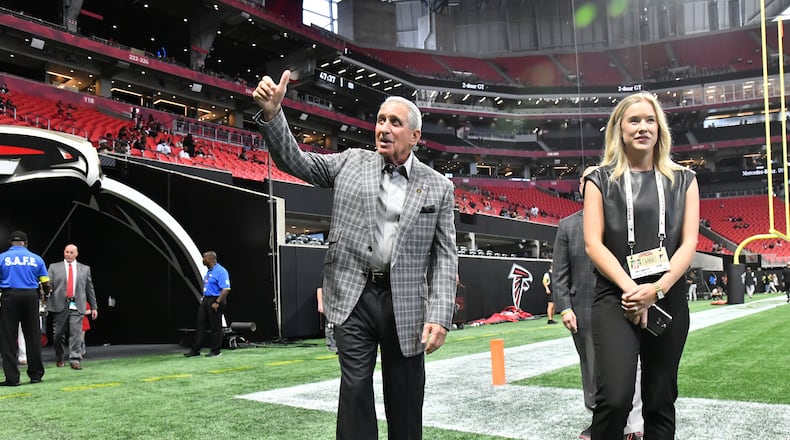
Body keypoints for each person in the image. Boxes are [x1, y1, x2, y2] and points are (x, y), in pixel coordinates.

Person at [253, 70, 457, 439]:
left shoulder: (439, 187)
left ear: (415, 136)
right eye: (380, 120)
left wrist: (441, 315)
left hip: (406, 303)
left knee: (406, 395)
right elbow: (295, 162)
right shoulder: (349, 162)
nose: (384, 128)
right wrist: (273, 114)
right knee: (355, 389)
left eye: (395, 122)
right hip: (353, 297)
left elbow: (445, 256)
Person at [583, 92, 699, 439]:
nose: (642, 127)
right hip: (616, 296)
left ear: (660, 128)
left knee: (660, 401)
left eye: (650, 120)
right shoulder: (599, 179)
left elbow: (689, 243)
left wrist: (657, 289)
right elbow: (593, 243)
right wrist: (634, 292)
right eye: (634, 120)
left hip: (667, 296)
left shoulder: (685, 180)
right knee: (614, 399)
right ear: (619, 129)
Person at [553, 166, 644, 439]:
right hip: (582, 309)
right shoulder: (568, 225)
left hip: (622, 304)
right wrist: (565, 307)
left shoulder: (621, 222)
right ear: (581, 186)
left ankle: (633, 423)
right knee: (591, 367)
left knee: (632, 364)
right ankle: (598, 419)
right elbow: (559, 272)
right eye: (586, 180)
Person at [0, 231, 51, 386]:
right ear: (26, 243)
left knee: (8, 338)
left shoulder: (2, 258)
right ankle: (36, 375)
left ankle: (12, 378)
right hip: (30, 297)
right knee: (33, 336)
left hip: (9, 296)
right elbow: (46, 284)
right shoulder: (36, 259)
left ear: (10, 243)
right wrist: (45, 298)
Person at [46, 244, 98, 370]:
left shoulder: (85, 269)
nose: (68, 255)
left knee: (76, 333)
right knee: (58, 334)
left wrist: (94, 307)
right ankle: (59, 356)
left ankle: (75, 359)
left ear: (76, 254)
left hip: (77, 304)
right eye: (66, 252)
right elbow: (48, 286)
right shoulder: (54, 267)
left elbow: (89, 289)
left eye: (71, 252)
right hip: (60, 304)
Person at [184, 251, 230, 358]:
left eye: (204, 258)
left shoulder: (221, 271)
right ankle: (195, 350)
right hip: (206, 300)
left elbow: (226, 289)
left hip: (216, 299)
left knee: (215, 327)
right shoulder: (209, 272)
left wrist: (217, 302)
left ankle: (215, 351)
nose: (203, 260)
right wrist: (203, 298)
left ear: (210, 259)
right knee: (200, 325)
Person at [316, 283, 337, 353]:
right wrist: (320, 304)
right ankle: (332, 345)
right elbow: (320, 288)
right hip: (329, 303)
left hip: (340, 302)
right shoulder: (327, 273)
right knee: (330, 325)